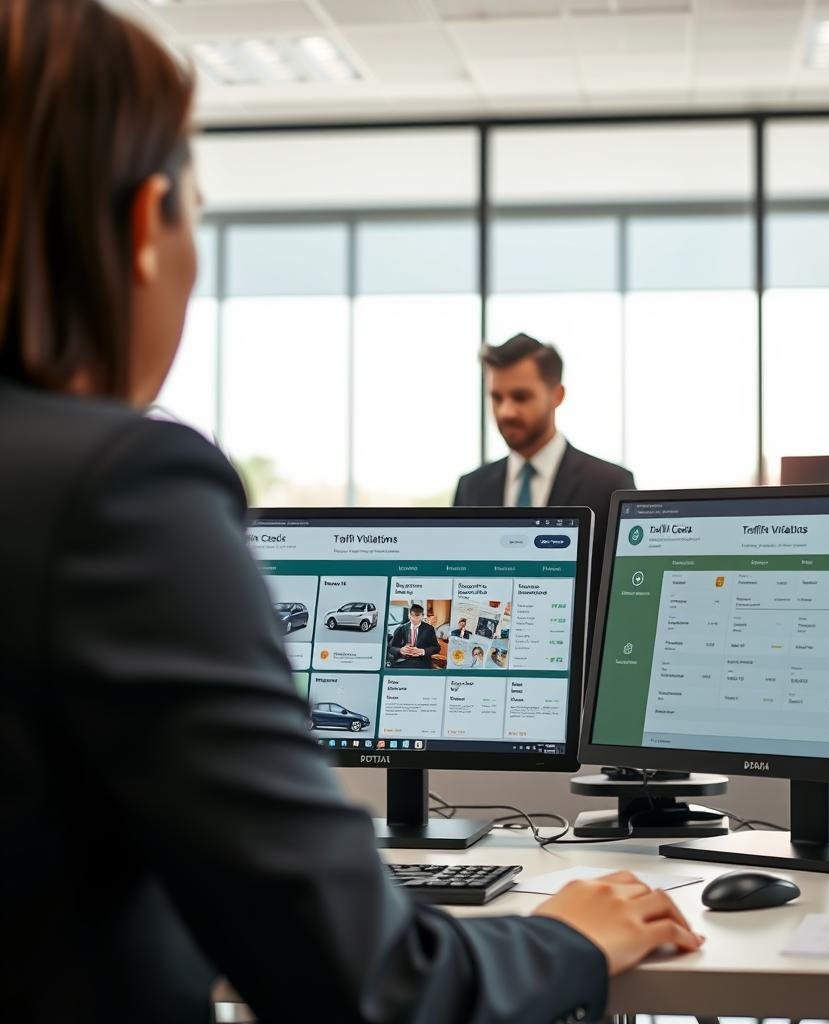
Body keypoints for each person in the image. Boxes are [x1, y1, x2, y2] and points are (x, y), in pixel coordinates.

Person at [0, 3, 704, 1021]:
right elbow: (369, 982)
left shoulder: (606, 478)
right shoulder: (115, 490)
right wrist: (567, 937)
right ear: (147, 225)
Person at [454, 333, 636, 620]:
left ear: (557, 395)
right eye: (496, 397)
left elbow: (622, 604)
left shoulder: (611, 486)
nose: (506, 411)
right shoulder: (471, 488)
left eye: (520, 397)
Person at [387, 603, 440, 669]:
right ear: (409, 615)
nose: (414, 619)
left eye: (417, 617)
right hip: (403, 660)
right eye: (412, 616)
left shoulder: (429, 629)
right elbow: (391, 648)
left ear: (422, 616)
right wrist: (400, 650)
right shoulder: (401, 629)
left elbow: (436, 648)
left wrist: (422, 651)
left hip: (422, 662)